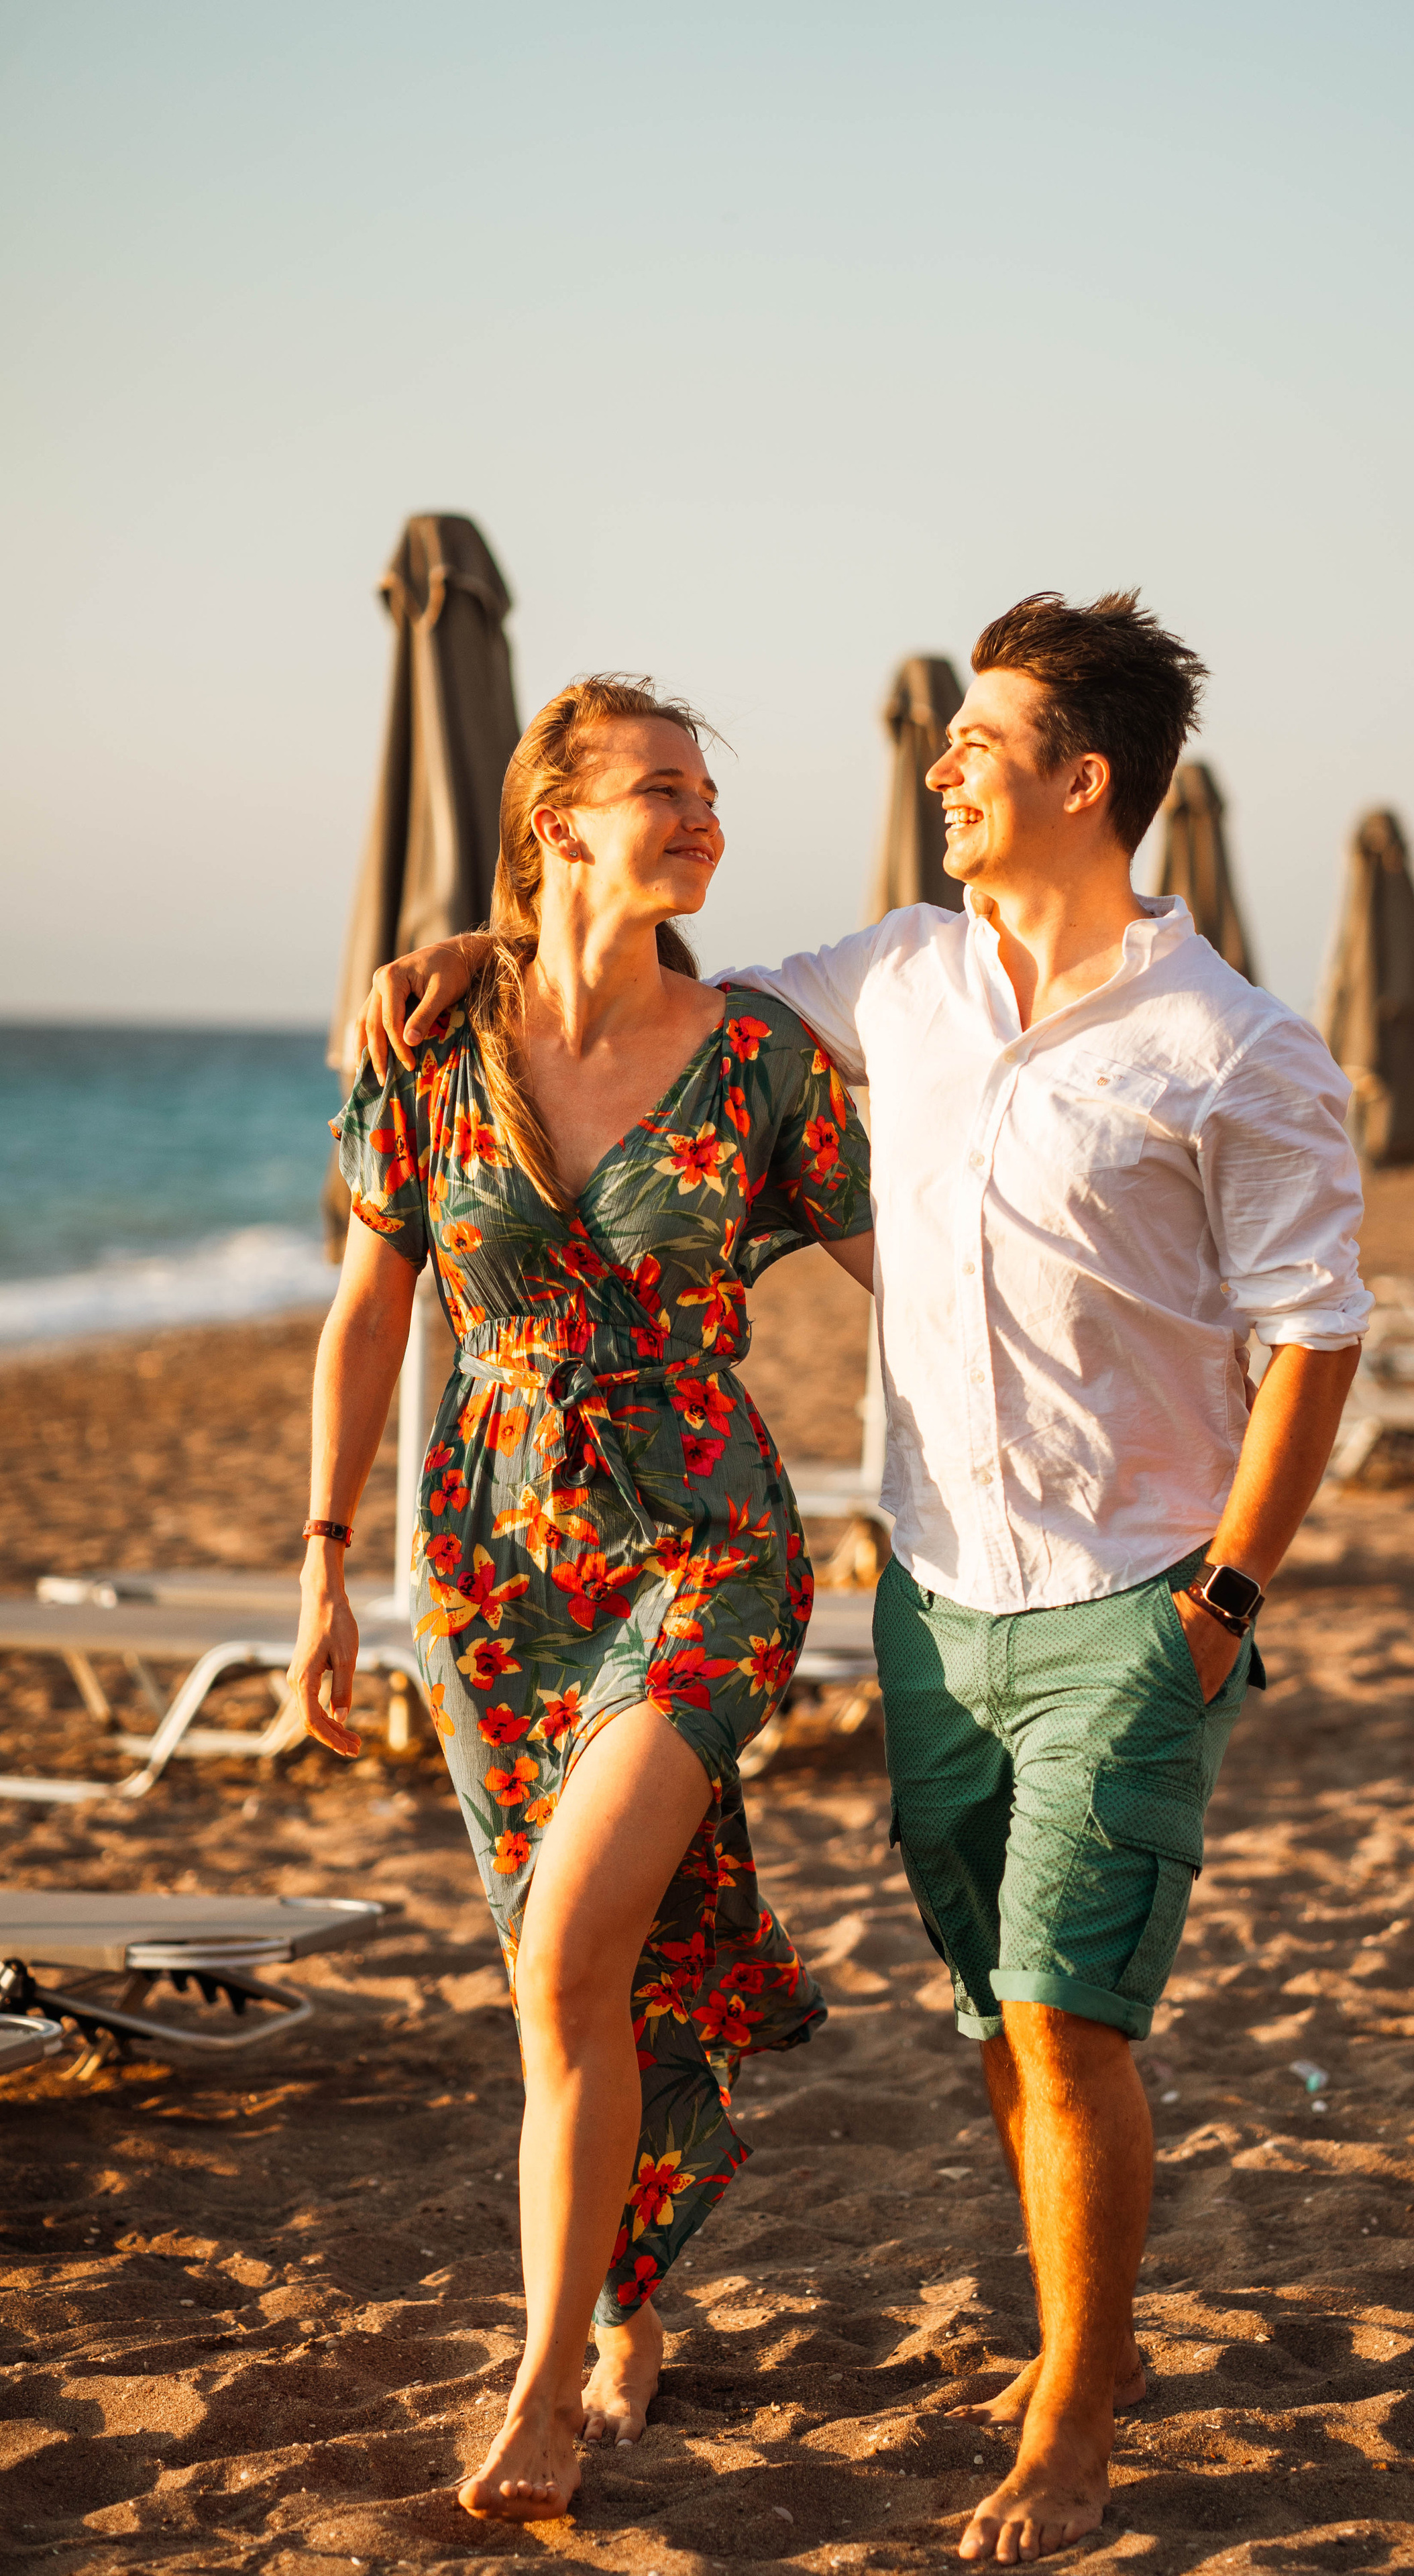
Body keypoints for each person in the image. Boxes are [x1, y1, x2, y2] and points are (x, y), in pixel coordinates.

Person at [367, 592, 1370, 2564]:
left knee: (1071, 2021)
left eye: (980, 746)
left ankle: (1077, 2416)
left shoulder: (1233, 1049)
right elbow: (656, 992)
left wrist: (1224, 1600)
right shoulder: (893, 976)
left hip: (1130, 1603)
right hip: (929, 1598)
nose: (943, 770)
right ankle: (1097, 2342)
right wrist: (481, 941)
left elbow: (1316, 1333)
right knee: (1002, 2022)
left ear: (1081, 782)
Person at [293, 676, 874, 2524]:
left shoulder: (764, 1053)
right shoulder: (434, 1040)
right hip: (487, 1564)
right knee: (586, 1976)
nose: (702, 818)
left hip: (706, 1538)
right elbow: (371, 1310)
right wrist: (321, 1563)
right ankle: (628, 2300)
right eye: (661, 791)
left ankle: (542, 2388)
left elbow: (919, 1275)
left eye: (710, 792)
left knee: (567, 1959)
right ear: (557, 826)